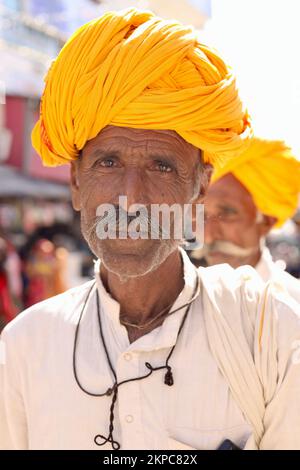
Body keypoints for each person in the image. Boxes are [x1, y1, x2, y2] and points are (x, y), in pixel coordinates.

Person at [0, 9, 299, 450]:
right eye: (108, 162)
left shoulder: (272, 333)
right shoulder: (26, 345)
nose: (132, 198)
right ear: (77, 182)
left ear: (199, 189)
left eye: (161, 166)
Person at [202, 137, 300, 302]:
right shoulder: (180, 304)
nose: (208, 236)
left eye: (226, 214)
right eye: (202, 216)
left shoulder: (294, 307)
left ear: (267, 221)